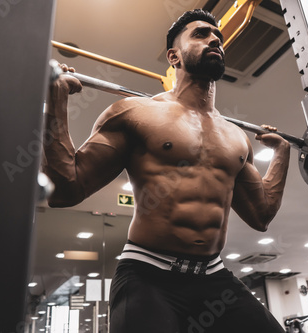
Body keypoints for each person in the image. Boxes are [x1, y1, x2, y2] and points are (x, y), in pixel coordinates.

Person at [43, 9, 290, 333]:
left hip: (213, 276)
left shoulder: (235, 137)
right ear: (173, 55)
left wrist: (282, 153)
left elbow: (261, 216)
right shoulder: (135, 113)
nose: (215, 38)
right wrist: (56, 101)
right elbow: (66, 191)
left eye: (218, 36)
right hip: (148, 276)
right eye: (201, 34)